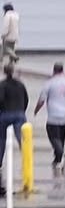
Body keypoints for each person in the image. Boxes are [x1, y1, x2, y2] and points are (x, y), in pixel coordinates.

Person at [33, 62, 65, 178]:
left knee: (53, 137)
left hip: (53, 115)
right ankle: (57, 159)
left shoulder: (49, 84)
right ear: (63, 71)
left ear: (54, 71)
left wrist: (36, 110)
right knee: (61, 136)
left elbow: (42, 100)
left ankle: (61, 155)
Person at [0, 61, 28, 194]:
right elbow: (26, 99)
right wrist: (21, 110)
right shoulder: (21, 84)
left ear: (4, 72)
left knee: (1, 139)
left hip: (5, 114)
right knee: (23, 140)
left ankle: (0, 161)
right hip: (19, 114)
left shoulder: (2, 85)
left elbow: (0, 100)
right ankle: (27, 162)